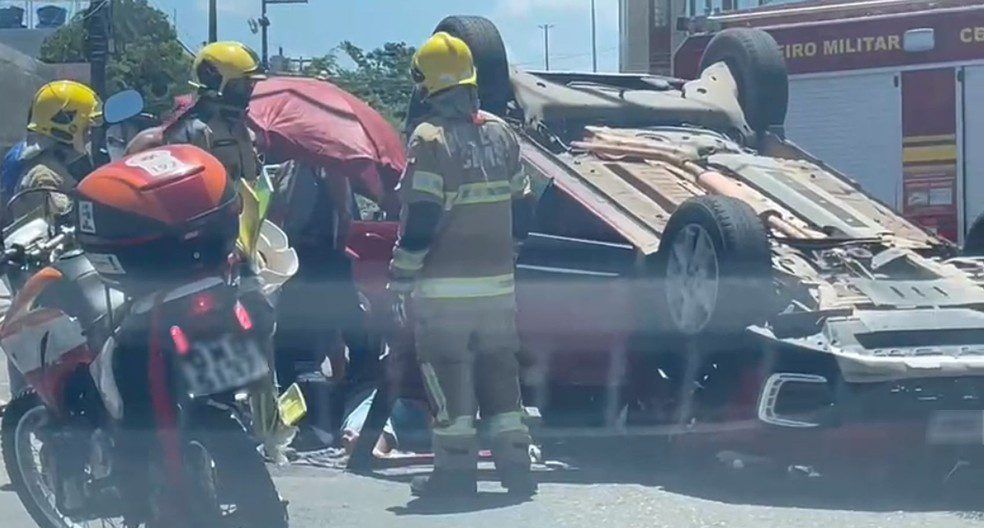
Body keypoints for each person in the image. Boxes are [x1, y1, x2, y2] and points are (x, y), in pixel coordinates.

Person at [389, 32, 536, 498]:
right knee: (500, 378)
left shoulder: (429, 140)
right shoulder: (500, 132)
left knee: (448, 378)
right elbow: (525, 203)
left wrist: (401, 275)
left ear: (428, 87)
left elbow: (423, 218)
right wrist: (510, 250)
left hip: (445, 295)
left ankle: (454, 477)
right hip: (497, 292)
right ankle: (516, 471)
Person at [3, 80, 102, 402]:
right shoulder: (45, 176)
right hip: (50, 288)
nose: (90, 134)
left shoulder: (53, 168)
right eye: (86, 127)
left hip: (58, 284)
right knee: (49, 384)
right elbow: (55, 230)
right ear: (67, 126)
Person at [163, 41, 265, 182]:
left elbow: (251, 179)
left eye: (251, 84)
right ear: (216, 81)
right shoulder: (191, 132)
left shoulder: (241, 127)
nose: (249, 90)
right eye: (243, 84)